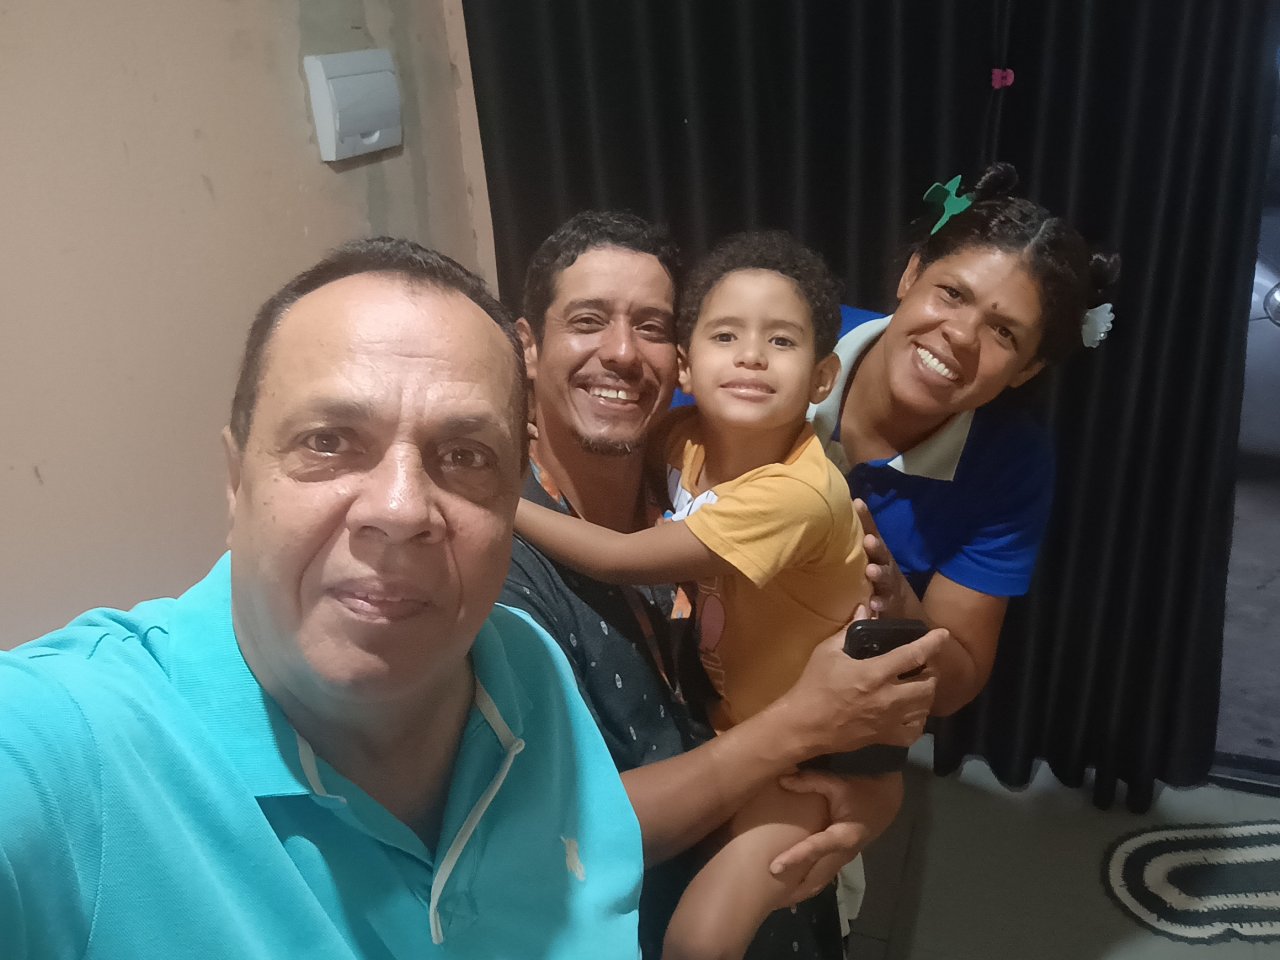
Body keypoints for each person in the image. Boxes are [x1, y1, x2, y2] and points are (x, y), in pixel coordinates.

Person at [0, 238, 648, 959]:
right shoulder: (65, 748)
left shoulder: (526, 669)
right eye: (328, 442)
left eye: (465, 456)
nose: (400, 509)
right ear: (236, 481)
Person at [499, 212, 947, 959]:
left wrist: (871, 784)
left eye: (648, 326)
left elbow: (621, 558)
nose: (621, 353)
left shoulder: (750, 482)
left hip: (809, 764)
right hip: (733, 784)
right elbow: (546, 835)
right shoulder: (671, 456)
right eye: (587, 320)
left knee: (717, 926)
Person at [811, 163, 1122, 717]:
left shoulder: (1011, 463)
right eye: (953, 293)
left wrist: (896, 601)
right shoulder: (795, 336)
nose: (960, 334)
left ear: (1027, 369)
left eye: (1003, 332)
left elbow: (954, 689)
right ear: (911, 275)